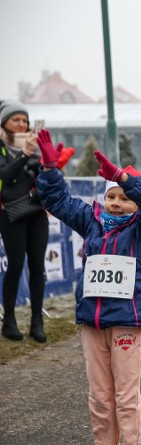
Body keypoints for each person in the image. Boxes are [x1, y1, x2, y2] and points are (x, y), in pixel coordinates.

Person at [35, 130, 141, 445]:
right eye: (110, 195)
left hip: (127, 323)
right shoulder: (91, 223)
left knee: (126, 398)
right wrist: (48, 168)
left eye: (124, 198)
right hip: (92, 324)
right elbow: (57, 199)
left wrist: (127, 179)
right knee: (99, 398)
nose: (115, 203)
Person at [0, 100, 72, 342]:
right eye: (16, 120)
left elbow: (42, 177)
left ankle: (36, 322)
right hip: (10, 213)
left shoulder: (34, 146)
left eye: (24, 120)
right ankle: (9, 320)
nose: (22, 124)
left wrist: (50, 163)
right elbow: (5, 176)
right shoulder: (4, 147)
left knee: (38, 267)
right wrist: (24, 154)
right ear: (4, 123)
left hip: (36, 211)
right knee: (16, 264)